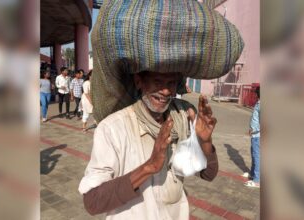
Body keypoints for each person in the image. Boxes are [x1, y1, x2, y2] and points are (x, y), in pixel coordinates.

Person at [78, 0, 244, 219]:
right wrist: (149, 166)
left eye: (172, 83)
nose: (166, 91)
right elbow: (92, 201)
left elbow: (208, 174)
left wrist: (205, 142)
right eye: (157, 81)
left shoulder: (182, 118)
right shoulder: (113, 128)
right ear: (139, 81)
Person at [244, 86, 260, 188]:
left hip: (258, 135)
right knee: (254, 154)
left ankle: (257, 180)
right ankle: (253, 174)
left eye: (255, 93)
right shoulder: (259, 103)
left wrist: (255, 129)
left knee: (257, 156)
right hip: (255, 134)